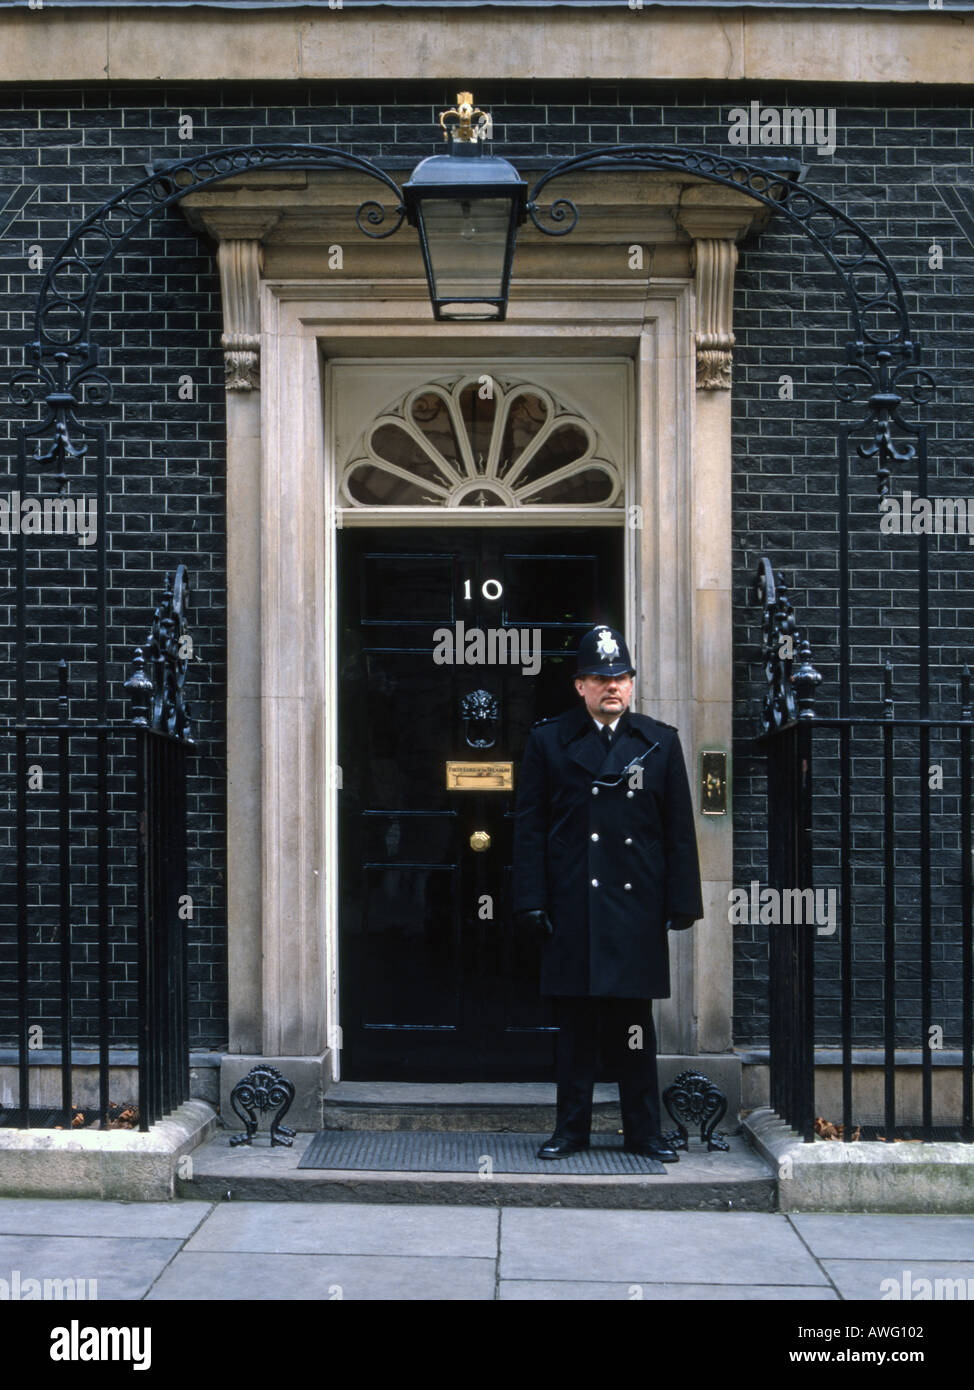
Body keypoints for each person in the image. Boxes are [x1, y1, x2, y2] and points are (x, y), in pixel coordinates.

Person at [513, 624, 703, 1162]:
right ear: (579, 686)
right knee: (574, 1028)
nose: (611, 686)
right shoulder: (548, 741)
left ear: (632, 683)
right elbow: (529, 826)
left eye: (619, 676)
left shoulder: (659, 742)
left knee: (634, 1027)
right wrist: (531, 898)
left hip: (633, 909)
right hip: (573, 904)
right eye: (599, 678)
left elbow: (678, 830)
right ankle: (570, 1131)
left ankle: (643, 1132)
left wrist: (682, 902)